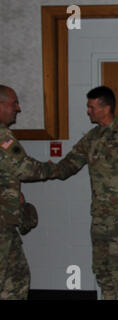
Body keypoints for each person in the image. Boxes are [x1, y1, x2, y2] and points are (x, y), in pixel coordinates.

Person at [50, 86, 118, 300]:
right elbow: (70, 163)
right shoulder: (93, 138)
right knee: (101, 269)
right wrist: (44, 170)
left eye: (91, 107)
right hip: (100, 217)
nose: (88, 111)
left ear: (106, 108)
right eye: (88, 106)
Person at [0, 85, 55, 299]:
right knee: (14, 279)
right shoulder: (3, 136)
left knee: (17, 275)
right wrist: (52, 169)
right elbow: (25, 168)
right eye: (14, 103)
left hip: (6, 220)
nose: (18, 108)